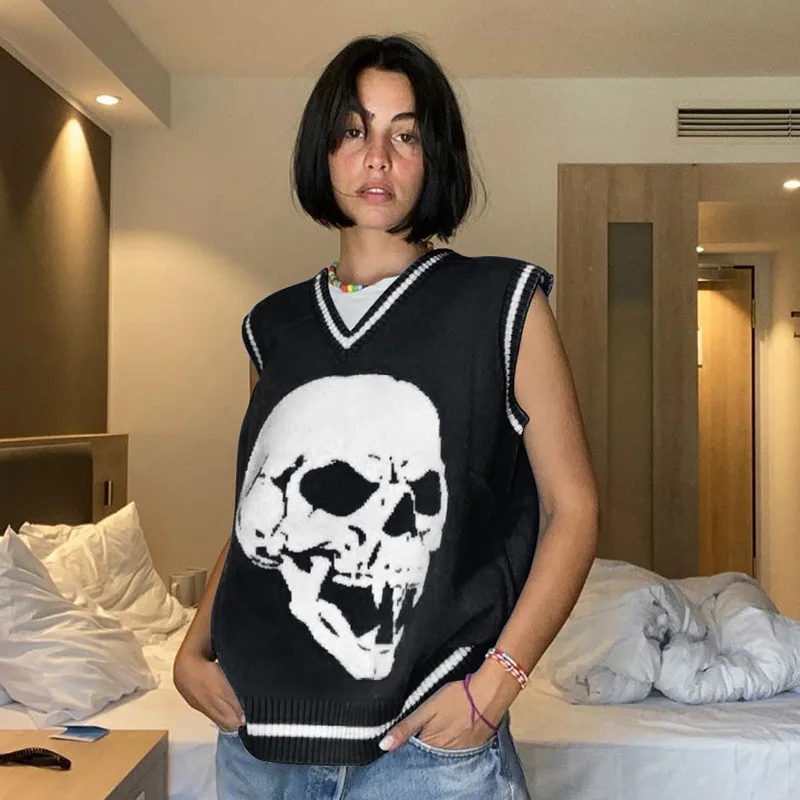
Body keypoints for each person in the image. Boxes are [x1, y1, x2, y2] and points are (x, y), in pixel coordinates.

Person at [174, 34, 598, 800]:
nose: (377, 158)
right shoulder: (273, 329)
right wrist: (192, 648)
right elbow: (253, 513)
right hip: (260, 744)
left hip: (425, 757)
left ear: (434, 157)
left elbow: (573, 509)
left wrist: (496, 685)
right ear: (323, 150)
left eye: (405, 135)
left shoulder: (504, 306)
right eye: (353, 131)